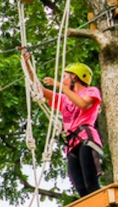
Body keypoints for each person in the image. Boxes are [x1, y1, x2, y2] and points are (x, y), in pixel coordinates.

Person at [25, 50, 104, 197]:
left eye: (64, 77)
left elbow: (83, 105)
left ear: (74, 77)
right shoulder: (64, 99)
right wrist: (28, 66)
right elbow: (39, 90)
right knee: (81, 189)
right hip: (71, 144)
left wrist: (62, 88)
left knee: (91, 184)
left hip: (86, 139)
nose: (62, 80)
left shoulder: (91, 91)